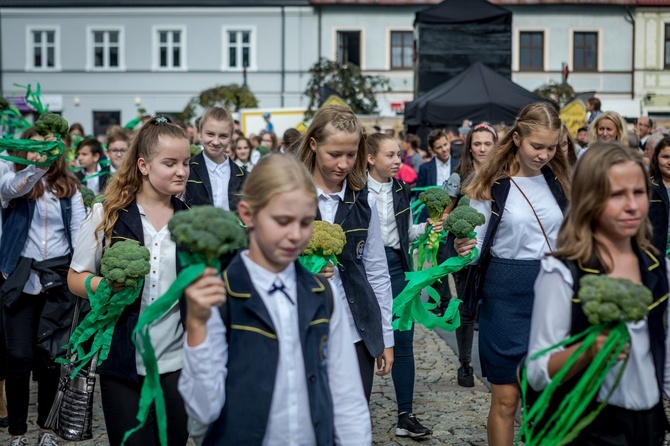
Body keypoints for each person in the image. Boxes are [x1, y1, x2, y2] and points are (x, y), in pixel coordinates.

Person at [178, 154, 371, 445]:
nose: (295, 235)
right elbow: (203, 410)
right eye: (282, 221)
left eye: (306, 222)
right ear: (247, 214)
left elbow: (347, 396)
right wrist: (196, 326)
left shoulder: (322, 294)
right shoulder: (222, 294)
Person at [527, 143, 669, 445]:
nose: (632, 205)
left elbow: (663, 350)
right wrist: (587, 351)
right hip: (589, 426)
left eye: (639, 192)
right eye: (617, 195)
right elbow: (537, 371)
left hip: (650, 424)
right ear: (590, 199)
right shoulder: (563, 273)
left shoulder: (659, 268)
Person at [67, 116, 192, 446]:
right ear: (144, 165)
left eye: (186, 163)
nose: (182, 171)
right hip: (121, 363)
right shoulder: (107, 214)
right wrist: (106, 287)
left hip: (176, 365)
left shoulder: (191, 221)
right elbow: (75, 278)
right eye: (170, 163)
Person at [453, 102, 570, 446]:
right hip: (504, 294)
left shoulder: (561, 181)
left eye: (552, 147)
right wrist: (465, 248)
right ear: (517, 138)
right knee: (506, 399)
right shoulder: (491, 183)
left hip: (553, 294)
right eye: (538, 146)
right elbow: (474, 248)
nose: (545, 155)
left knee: (545, 399)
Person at [296, 105, 394, 402]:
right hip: (301, 329)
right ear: (313, 144)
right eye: (334, 154)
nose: (343, 163)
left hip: (354, 331)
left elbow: (377, 269)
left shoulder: (363, 201)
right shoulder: (289, 194)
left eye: (351, 155)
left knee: (353, 416)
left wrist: (385, 337)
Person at [1, 127, 86, 446]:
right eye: (35, 147)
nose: (43, 152)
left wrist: (82, 270)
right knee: (19, 357)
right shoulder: (15, 180)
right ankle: (18, 432)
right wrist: (36, 166)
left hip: (58, 278)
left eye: (50, 148)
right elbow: (13, 189)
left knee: (51, 359)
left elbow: (78, 231)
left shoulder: (70, 186)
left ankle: (47, 430)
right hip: (21, 279)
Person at [366, 133, 439, 438]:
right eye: (390, 155)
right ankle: (354, 415)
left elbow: (405, 232)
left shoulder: (401, 188)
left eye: (399, 154)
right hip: (363, 269)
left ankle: (405, 416)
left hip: (397, 267)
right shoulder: (354, 188)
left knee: (403, 341)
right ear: (370, 158)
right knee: (362, 345)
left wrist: (428, 228)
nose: (398, 160)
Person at [442, 123, 498, 387]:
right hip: (463, 249)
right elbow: (445, 211)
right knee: (466, 308)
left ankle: (492, 359)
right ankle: (465, 363)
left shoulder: (504, 175)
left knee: (491, 307)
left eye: (488, 143)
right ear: (469, 147)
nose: (483, 148)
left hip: (494, 252)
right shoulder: (458, 176)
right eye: (477, 144)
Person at [185, 107, 247, 212]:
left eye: (223, 136)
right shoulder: (187, 171)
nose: (216, 142)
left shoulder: (244, 176)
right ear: (200, 133)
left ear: (231, 137)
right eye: (210, 134)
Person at [648, 136, 670, 256]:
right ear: (657, 158)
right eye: (665, 157)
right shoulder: (647, 187)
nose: (669, 162)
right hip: (655, 254)